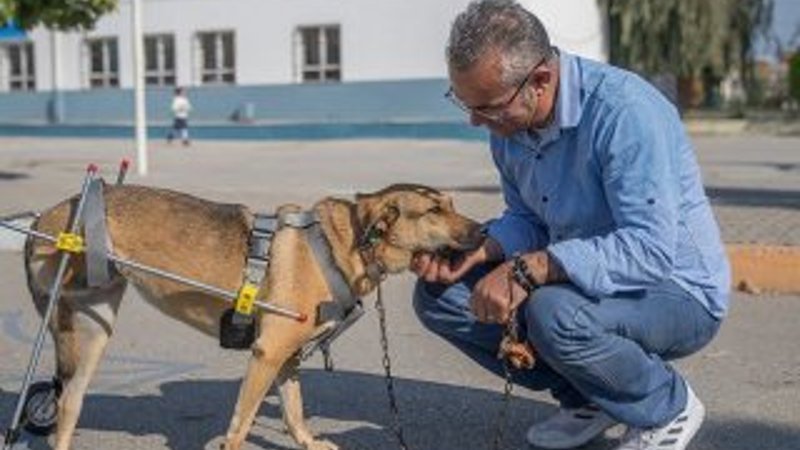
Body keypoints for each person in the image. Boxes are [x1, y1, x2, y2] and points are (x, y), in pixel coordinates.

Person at [411, 1, 730, 449]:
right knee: (440, 296)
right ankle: (589, 397)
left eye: (486, 107)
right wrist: (482, 250)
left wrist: (527, 270)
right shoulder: (510, 129)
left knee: (554, 314)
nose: (474, 120)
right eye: (463, 103)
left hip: (677, 291)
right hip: (579, 279)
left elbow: (650, 249)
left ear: (540, 81)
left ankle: (665, 407)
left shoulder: (625, 113)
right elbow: (528, 219)